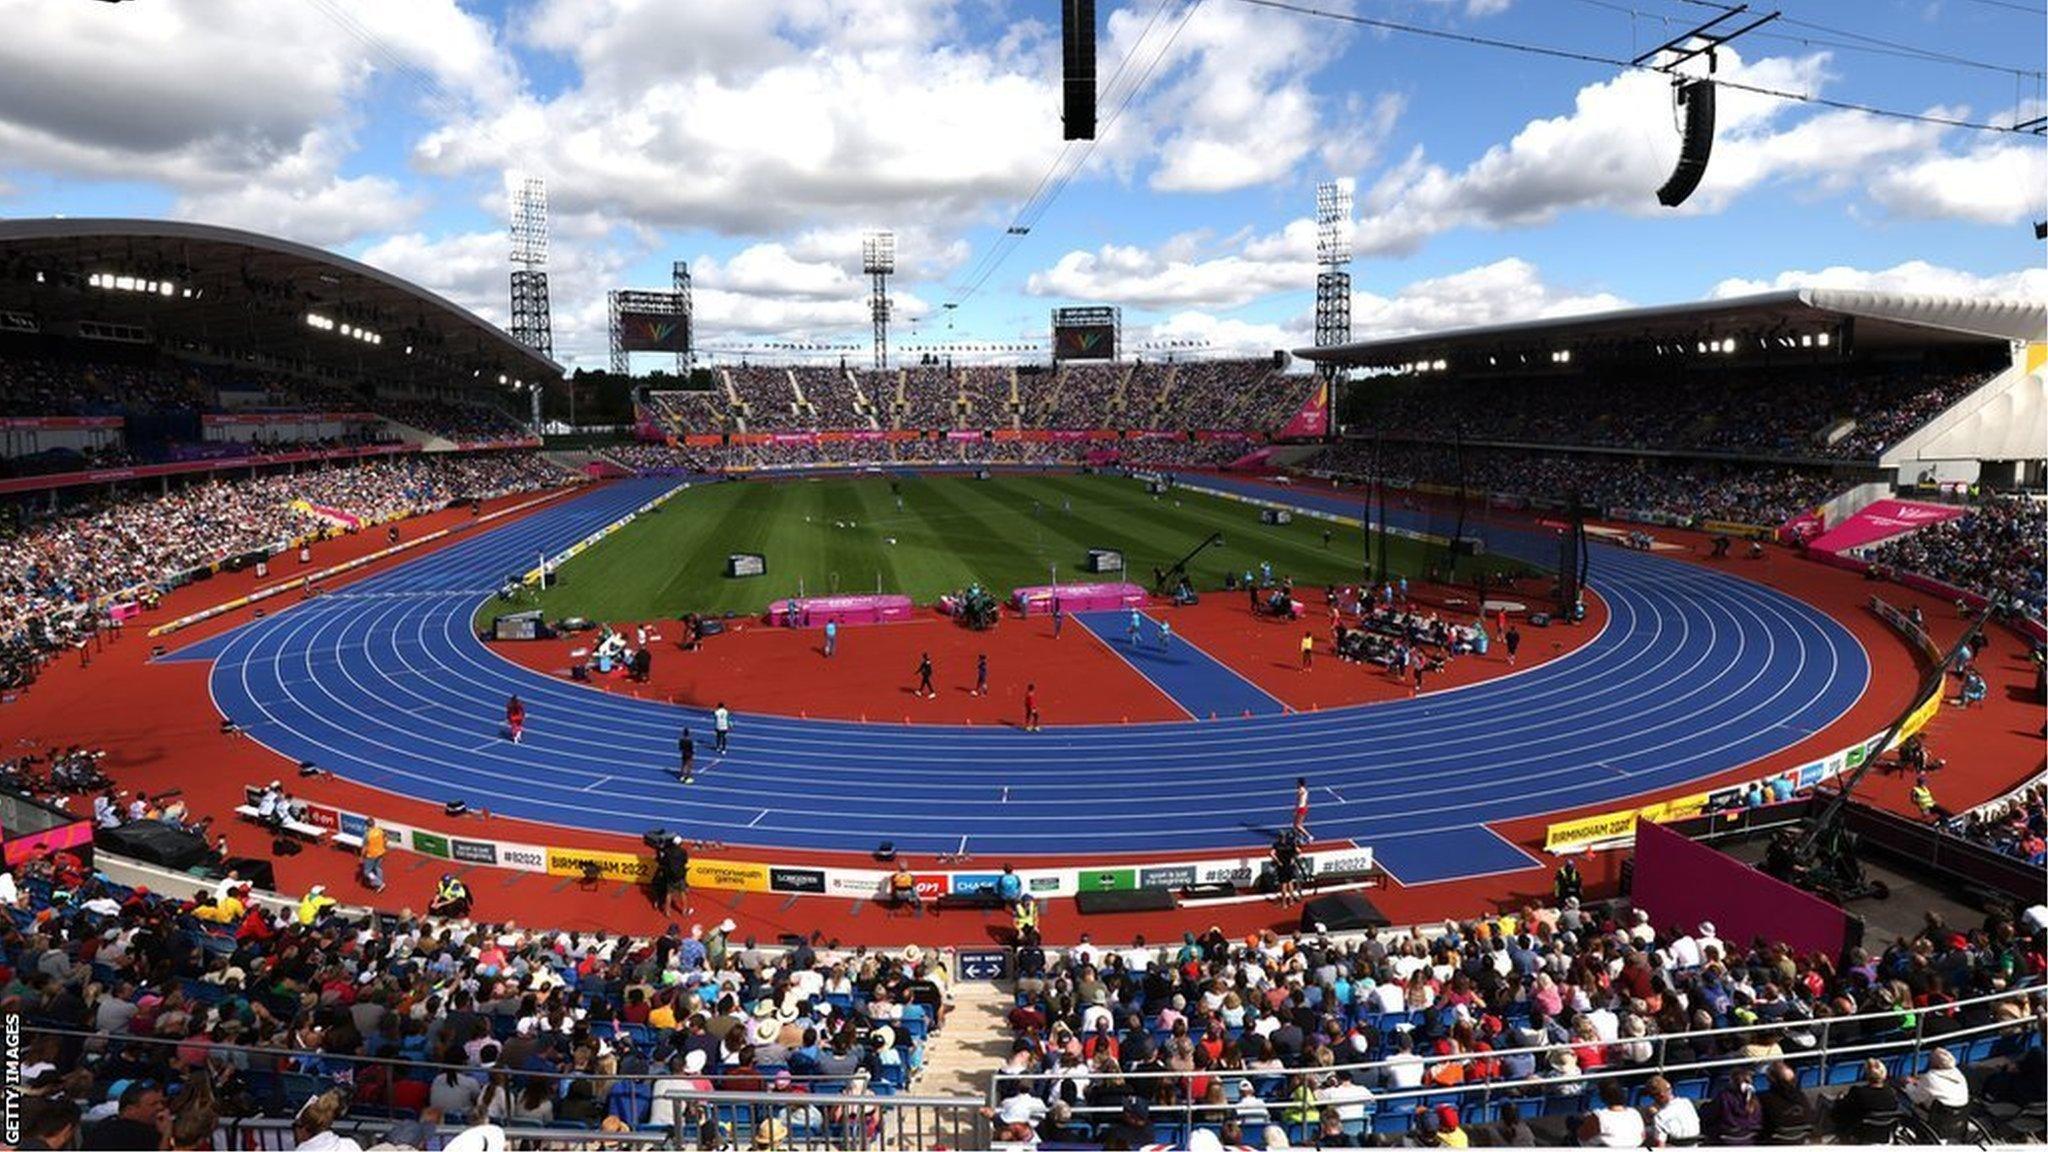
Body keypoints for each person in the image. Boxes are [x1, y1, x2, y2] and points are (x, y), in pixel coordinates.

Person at [82, 1080, 168, 1150]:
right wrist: (166, 1135)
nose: (160, 1107)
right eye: (153, 1104)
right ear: (130, 1110)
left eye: (162, 1103)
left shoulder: (104, 1125)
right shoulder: (123, 1134)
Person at [1578, 1081, 1646, 1147]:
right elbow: (1642, 1136)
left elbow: (1582, 1137)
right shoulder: (1635, 1113)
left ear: (1602, 1096)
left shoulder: (1600, 1117)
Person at [1644, 1075, 1701, 1146]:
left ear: (1660, 1096)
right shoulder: (1687, 1102)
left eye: (1651, 1096)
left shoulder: (1660, 1117)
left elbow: (1659, 1145)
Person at [359, 816, 387, 892]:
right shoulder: (380, 830)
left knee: (367, 872)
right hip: (381, 852)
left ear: (367, 826)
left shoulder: (367, 835)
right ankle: (378, 886)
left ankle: (379, 883)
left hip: (371, 855)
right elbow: (385, 840)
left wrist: (361, 857)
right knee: (378, 868)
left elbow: (364, 847)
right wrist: (384, 848)